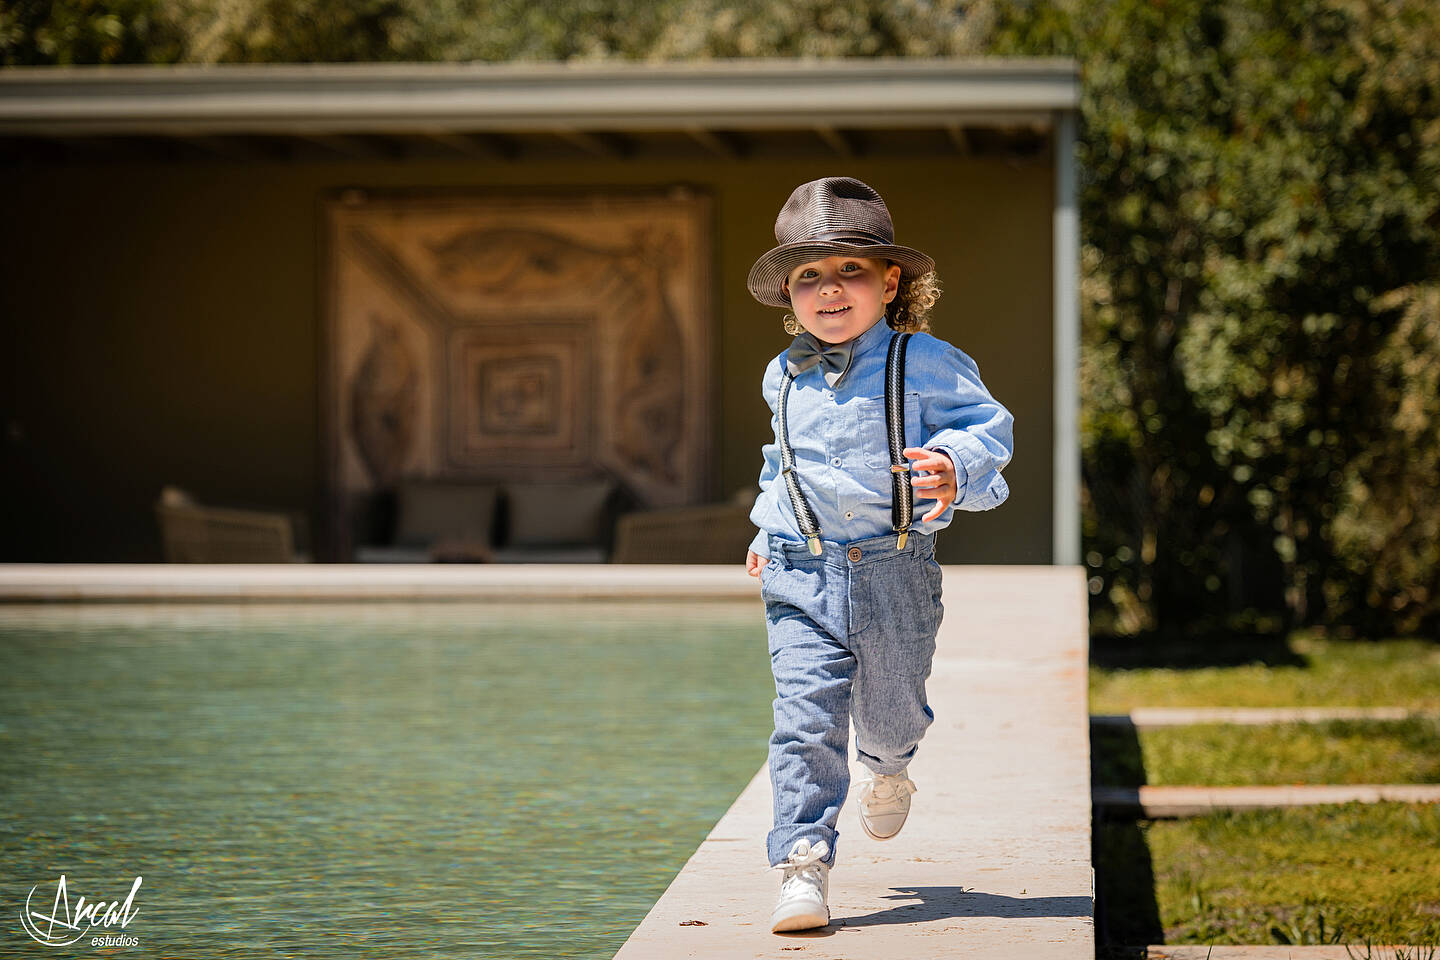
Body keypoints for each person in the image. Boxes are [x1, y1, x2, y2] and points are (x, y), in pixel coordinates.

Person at [744, 176, 1014, 933]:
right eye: (809, 276)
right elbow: (782, 462)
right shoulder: (784, 374)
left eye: (850, 271)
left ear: (890, 281)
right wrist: (769, 531)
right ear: (789, 295)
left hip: (892, 571)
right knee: (803, 721)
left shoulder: (921, 360)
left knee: (891, 715)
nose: (829, 290)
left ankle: (890, 766)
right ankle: (802, 863)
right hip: (800, 571)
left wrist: (955, 466)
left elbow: (987, 426)